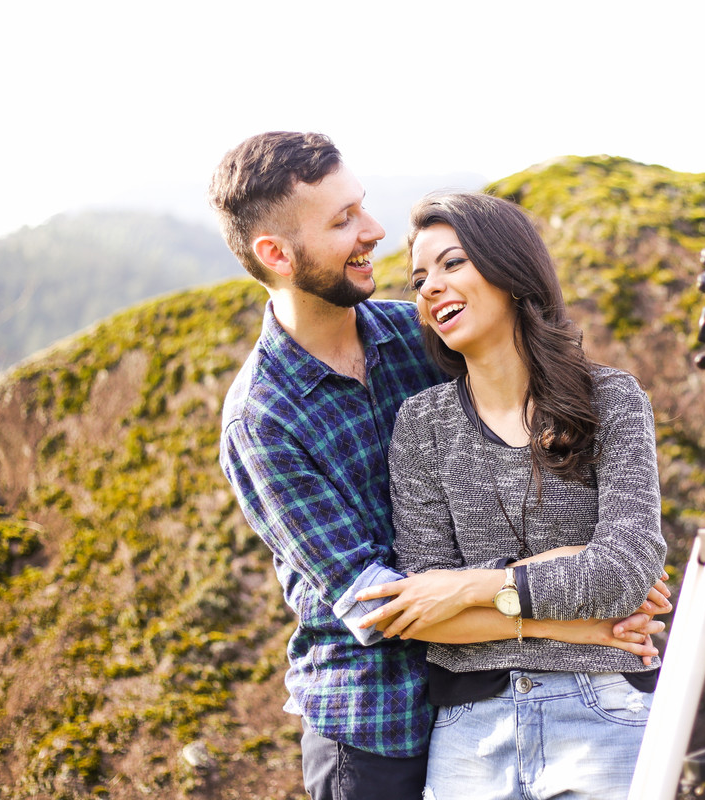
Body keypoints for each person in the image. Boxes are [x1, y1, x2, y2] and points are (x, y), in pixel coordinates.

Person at [210, 132, 669, 800]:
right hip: (375, 724)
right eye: (343, 222)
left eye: (362, 207)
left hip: (482, 698)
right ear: (276, 254)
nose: (373, 232)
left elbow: (545, 450)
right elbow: (387, 604)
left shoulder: (416, 337)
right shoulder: (262, 421)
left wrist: (605, 574)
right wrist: (577, 611)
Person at [355, 191, 668, 800]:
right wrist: (575, 614)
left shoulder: (611, 400)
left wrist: (470, 586)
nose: (430, 288)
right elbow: (423, 616)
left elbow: (625, 573)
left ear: (510, 270)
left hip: (602, 713)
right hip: (471, 732)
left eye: (452, 264)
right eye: (419, 278)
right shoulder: (421, 425)